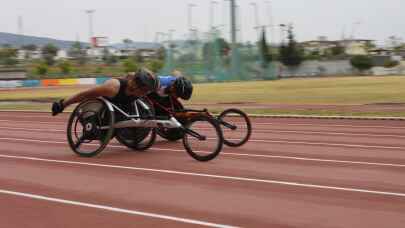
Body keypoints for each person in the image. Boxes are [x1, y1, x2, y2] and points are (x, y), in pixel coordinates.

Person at [51, 68, 159, 116]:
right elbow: (84, 94)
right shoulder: (112, 87)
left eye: (147, 90)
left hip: (121, 108)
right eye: (144, 90)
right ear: (136, 84)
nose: (145, 93)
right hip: (96, 112)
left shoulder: (137, 87)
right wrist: (63, 104)